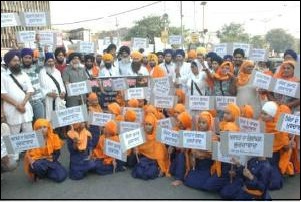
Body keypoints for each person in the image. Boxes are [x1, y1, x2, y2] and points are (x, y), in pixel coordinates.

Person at [203, 103, 241, 193]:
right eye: (225, 113)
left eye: (228, 113)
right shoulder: (222, 124)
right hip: (222, 160)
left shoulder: (232, 126)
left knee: (213, 187)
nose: (225, 115)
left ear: (235, 114)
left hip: (229, 163)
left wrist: (218, 139)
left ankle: (231, 182)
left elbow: (228, 142)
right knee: (207, 186)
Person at [1, 51, 34, 148]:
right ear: (8, 62)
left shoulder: (24, 74)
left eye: (18, 60)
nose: (17, 63)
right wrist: (17, 105)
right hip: (12, 110)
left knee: (29, 134)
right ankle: (14, 156)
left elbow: (30, 90)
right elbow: (2, 94)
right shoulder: (3, 76)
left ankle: (31, 154)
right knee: (13, 136)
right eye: (14, 61)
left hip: (25, 109)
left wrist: (22, 104)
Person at [261, 102, 294, 190]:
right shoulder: (260, 123)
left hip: (274, 156)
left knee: (275, 184)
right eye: (262, 113)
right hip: (261, 155)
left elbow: (285, 146)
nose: (262, 116)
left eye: (265, 114)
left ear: (272, 116)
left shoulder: (279, 128)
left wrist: (289, 144)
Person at [184, 111, 215, 190]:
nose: (201, 125)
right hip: (197, 164)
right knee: (188, 181)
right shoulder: (195, 134)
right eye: (199, 122)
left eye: (204, 123)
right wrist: (193, 155)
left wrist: (203, 154)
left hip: (207, 165)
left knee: (203, 184)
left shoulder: (213, 137)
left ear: (209, 124)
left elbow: (214, 156)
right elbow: (191, 151)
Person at [132, 114, 169, 180]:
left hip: (154, 162)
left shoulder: (157, 137)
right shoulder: (141, 135)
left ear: (154, 126)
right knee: (139, 172)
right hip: (144, 160)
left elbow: (160, 156)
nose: (147, 127)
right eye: (146, 124)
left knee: (149, 173)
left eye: (150, 124)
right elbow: (139, 151)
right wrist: (136, 151)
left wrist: (162, 168)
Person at [39, 53, 66, 121]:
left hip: (58, 98)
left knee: (59, 118)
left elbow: (61, 84)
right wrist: (48, 93)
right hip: (48, 99)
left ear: (54, 61)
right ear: (45, 62)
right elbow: (40, 87)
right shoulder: (41, 73)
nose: (50, 63)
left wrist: (63, 92)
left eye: (52, 61)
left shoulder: (57, 72)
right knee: (50, 119)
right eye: (49, 61)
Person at [20, 48, 45, 122]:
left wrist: (38, 43)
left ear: (32, 59)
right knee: (29, 125)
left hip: (37, 101)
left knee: (40, 124)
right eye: (25, 57)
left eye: (29, 58)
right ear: (22, 58)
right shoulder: (18, 70)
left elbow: (42, 58)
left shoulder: (35, 68)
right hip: (25, 103)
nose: (27, 60)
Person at [169, 111, 192, 186]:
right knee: (171, 171)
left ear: (186, 122)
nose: (178, 123)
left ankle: (179, 179)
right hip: (177, 154)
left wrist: (183, 147)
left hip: (187, 157)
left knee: (181, 155)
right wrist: (171, 146)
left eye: (181, 122)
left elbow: (186, 150)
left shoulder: (189, 132)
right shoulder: (175, 129)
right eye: (178, 121)